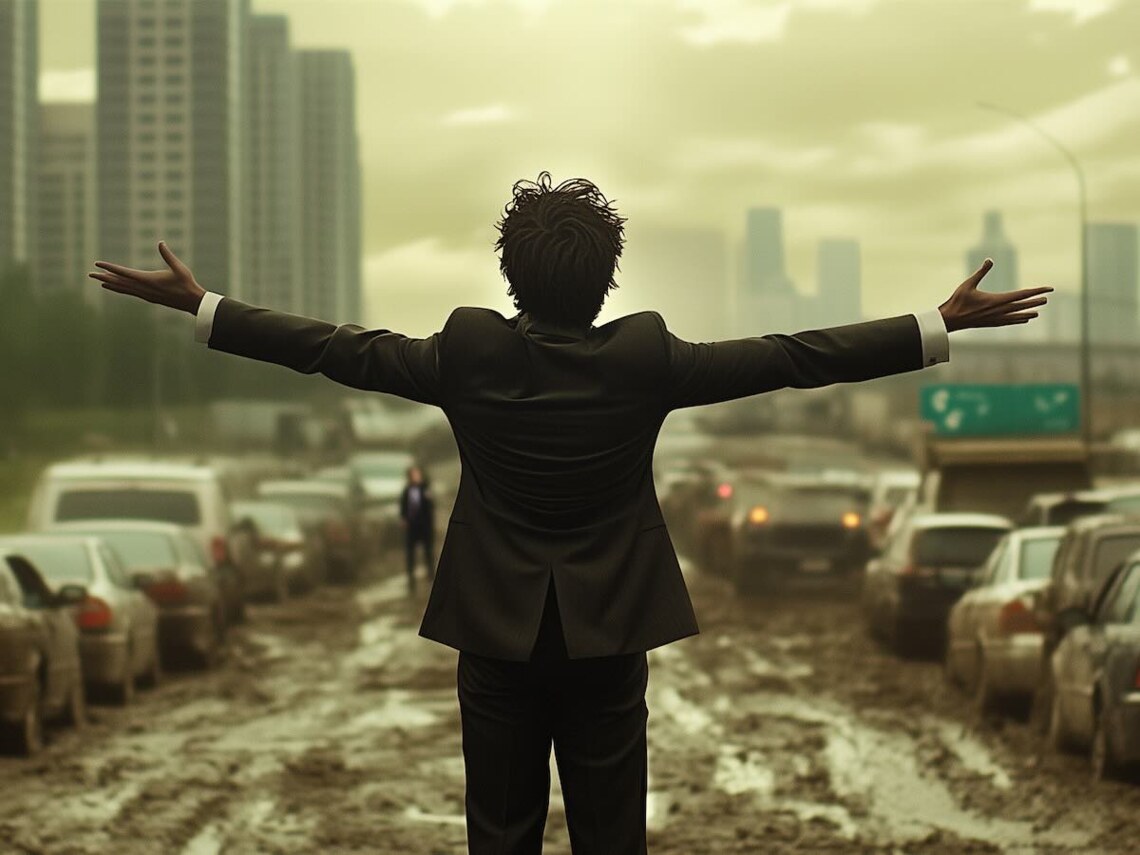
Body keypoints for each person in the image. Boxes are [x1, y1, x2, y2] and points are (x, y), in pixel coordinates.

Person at [90, 172, 1051, 854]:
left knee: (498, 834)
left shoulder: (468, 353)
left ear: (511, 271)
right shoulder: (646, 360)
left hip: (497, 639)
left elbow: (337, 349)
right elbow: (791, 355)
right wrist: (933, 324)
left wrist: (206, 306)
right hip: (608, 637)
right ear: (607, 274)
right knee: (610, 837)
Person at [400, 465, 436, 594]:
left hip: (424, 527)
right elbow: (403, 506)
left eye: (417, 474)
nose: (415, 477)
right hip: (412, 527)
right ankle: (411, 580)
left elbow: (431, 507)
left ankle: (431, 577)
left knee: (428, 553)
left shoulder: (425, 489)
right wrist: (403, 518)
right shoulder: (407, 490)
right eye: (412, 474)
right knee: (410, 554)